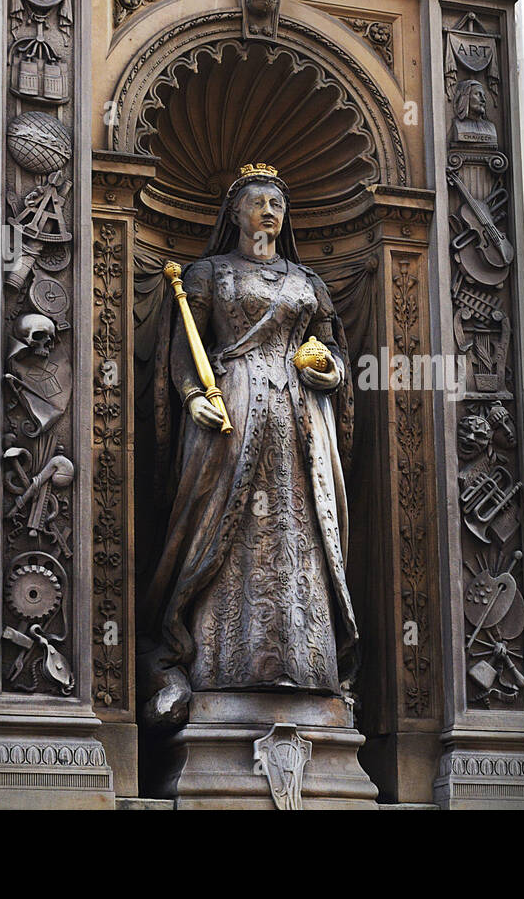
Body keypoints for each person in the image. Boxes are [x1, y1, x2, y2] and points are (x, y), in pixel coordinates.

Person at [140, 163, 357, 726]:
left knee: (300, 530)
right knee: (218, 527)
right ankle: (213, 665)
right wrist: (192, 395)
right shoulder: (208, 274)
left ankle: (306, 666)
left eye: (277, 204)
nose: (269, 211)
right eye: (258, 201)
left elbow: (333, 350)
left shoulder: (308, 283)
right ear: (234, 212)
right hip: (231, 408)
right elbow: (184, 349)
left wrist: (328, 371)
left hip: (299, 418)